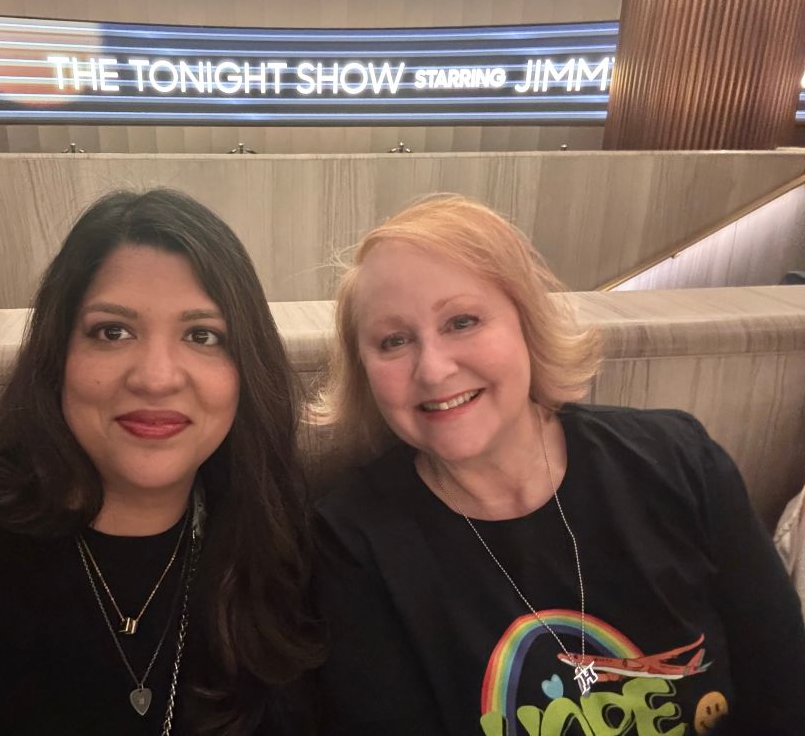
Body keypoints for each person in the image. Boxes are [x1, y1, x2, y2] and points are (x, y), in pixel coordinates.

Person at [0, 189, 322, 735]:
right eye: (113, 331)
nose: (155, 377)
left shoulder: (274, 545)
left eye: (202, 335)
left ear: (246, 371)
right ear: (58, 358)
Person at [312, 194, 805, 736]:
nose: (432, 368)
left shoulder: (678, 460)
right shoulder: (351, 540)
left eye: (462, 321)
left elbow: (784, 694)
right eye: (394, 340)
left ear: (525, 321)